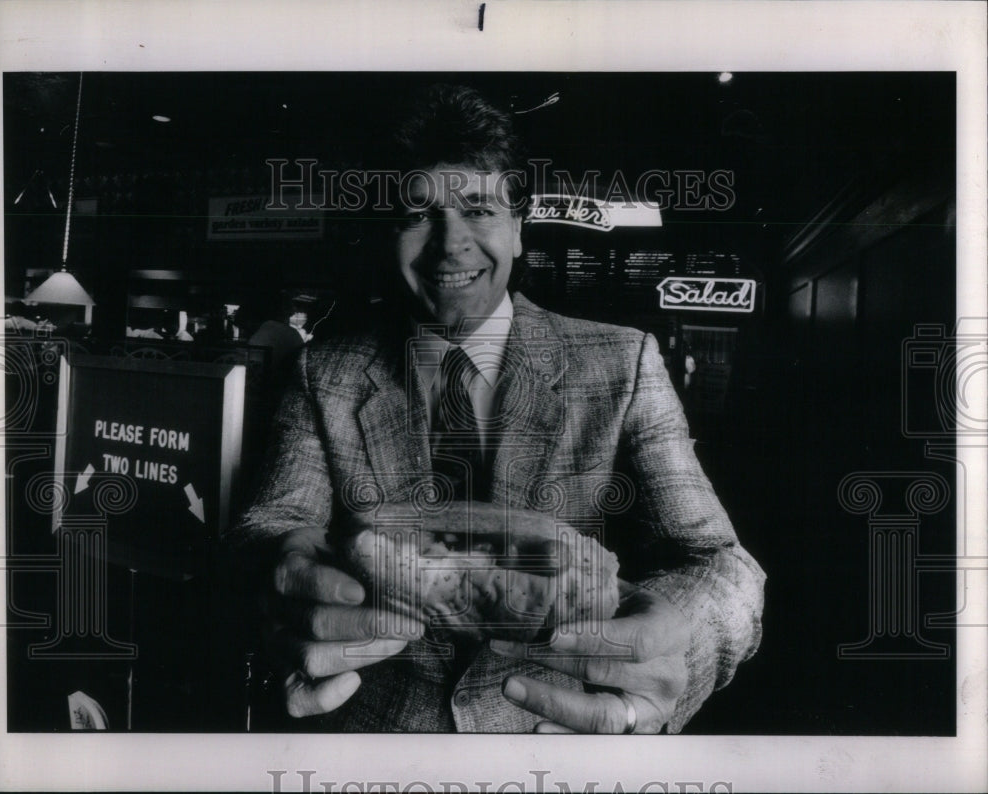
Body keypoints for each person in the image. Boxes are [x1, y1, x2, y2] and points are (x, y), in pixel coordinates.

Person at [225, 84, 765, 733]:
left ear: (518, 227)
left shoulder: (624, 364)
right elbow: (269, 527)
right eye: (418, 214)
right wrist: (282, 580)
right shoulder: (326, 372)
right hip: (369, 745)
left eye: (478, 209)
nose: (450, 244)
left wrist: (679, 645)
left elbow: (723, 567)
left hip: (558, 744)